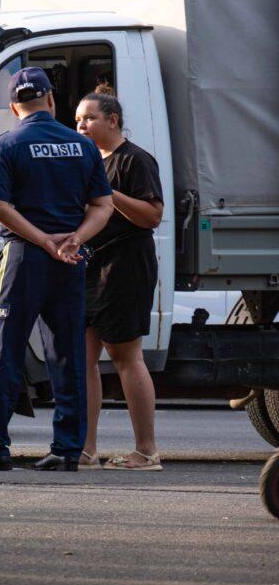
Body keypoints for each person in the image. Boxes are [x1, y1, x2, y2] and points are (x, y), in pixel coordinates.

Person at [0, 67, 114, 472]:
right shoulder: (82, 146)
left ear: (13, 106)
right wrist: (74, 239)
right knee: (68, 354)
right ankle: (67, 450)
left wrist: (43, 240)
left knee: (3, 350)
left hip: (26, 256)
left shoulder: (6, 144)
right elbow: (103, 206)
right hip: (70, 259)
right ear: (51, 100)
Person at [75, 86, 164, 471]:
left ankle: (147, 451)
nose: (81, 125)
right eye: (78, 119)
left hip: (126, 266)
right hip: (88, 266)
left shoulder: (136, 160)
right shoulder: (85, 160)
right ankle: (85, 449)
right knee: (84, 359)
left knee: (126, 357)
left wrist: (109, 194)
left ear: (112, 121)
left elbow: (152, 215)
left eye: (89, 118)